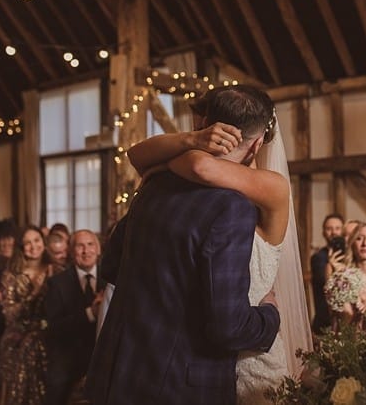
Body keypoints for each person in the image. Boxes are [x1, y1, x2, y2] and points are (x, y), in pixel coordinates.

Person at [88, 85, 285, 405]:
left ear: (206, 123)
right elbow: (228, 327)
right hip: (180, 386)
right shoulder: (233, 208)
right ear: (258, 142)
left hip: (118, 372)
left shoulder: (154, 183)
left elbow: (111, 265)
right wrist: (270, 316)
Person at [43, 230, 104, 405]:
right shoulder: (57, 283)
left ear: (98, 249)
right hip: (69, 351)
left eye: (91, 245)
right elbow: (55, 328)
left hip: (103, 350)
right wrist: (90, 313)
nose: (86, 251)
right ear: (71, 252)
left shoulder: (111, 277)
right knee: (57, 384)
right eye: (80, 246)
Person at [0, 225, 52, 405]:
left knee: (36, 343)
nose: (33, 246)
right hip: (19, 331)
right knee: (29, 346)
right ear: (21, 248)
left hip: (50, 329)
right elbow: (9, 314)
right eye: (27, 243)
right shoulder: (12, 275)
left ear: (43, 242)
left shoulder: (55, 269)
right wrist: (33, 294)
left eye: (37, 240)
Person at [311, 214, 346, 332]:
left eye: (337, 228)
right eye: (329, 228)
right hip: (326, 319)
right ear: (324, 233)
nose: (333, 232)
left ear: (343, 231)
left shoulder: (351, 256)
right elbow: (326, 284)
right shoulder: (318, 258)